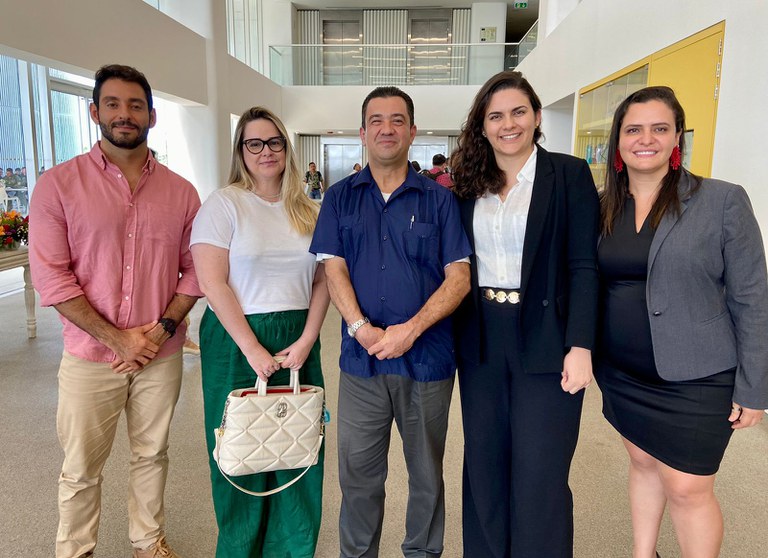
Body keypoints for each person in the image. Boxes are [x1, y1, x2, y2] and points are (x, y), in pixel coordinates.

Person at [29, 64, 201, 558]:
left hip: (159, 355)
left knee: (152, 454)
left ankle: (147, 541)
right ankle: (75, 550)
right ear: (93, 112)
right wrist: (118, 339)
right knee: (81, 466)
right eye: (113, 104)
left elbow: (194, 271)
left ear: (152, 115)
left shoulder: (180, 191)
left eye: (135, 105)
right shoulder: (58, 185)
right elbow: (52, 278)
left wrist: (160, 331)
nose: (124, 114)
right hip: (89, 357)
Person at [594, 86, 768, 558]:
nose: (645, 138)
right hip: (622, 371)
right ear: (618, 141)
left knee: (688, 487)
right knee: (643, 463)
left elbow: (753, 297)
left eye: (659, 128)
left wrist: (755, 388)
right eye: (633, 129)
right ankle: (642, 553)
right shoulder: (602, 204)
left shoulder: (722, 201)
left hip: (698, 374)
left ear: (676, 139)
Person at [310, 86, 471, 558]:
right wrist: (361, 327)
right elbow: (332, 266)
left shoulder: (441, 202)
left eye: (397, 120)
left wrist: (409, 330)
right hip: (362, 366)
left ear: (413, 131)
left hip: (426, 362)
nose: (387, 128)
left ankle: (422, 552)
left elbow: (458, 278)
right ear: (362, 133)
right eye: (377, 120)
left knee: (426, 475)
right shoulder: (339, 198)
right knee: (359, 477)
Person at [450, 70, 599, 558]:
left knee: (541, 468)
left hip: (547, 337)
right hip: (480, 337)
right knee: (485, 465)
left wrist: (582, 344)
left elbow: (583, 265)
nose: (507, 124)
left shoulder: (569, 173)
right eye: (495, 116)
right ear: (482, 126)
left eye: (518, 112)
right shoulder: (468, 182)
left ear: (536, 116)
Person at [190, 106, 330, 558]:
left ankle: (292, 549)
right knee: (241, 445)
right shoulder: (224, 204)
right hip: (235, 337)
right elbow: (213, 282)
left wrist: (308, 338)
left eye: (274, 142)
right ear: (241, 151)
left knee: (297, 444)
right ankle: (239, 547)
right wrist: (251, 348)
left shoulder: (309, 209)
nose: (266, 152)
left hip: (297, 333)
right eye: (255, 143)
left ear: (287, 149)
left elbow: (324, 278)